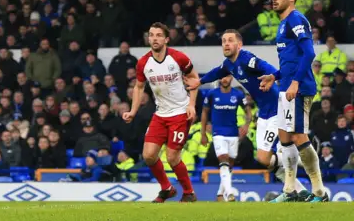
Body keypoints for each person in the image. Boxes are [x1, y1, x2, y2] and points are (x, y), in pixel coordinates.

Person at [199, 29, 307, 194]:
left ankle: (299, 160)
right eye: (223, 41)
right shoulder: (229, 64)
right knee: (264, 160)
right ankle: (299, 191)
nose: (226, 44)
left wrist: (272, 78)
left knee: (267, 158)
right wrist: (199, 81)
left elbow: (267, 67)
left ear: (239, 45)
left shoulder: (247, 59)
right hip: (263, 113)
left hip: (277, 110)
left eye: (230, 40)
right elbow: (216, 72)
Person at [259, 0, 328, 202]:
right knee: (284, 136)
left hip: (298, 89)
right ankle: (290, 191)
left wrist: (296, 83)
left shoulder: (296, 19)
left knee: (299, 136)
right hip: (286, 87)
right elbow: (292, 60)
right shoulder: (283, 24)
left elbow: (309, 53)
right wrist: (276, 77)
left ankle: (319, 191)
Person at [123, 22, 200, 203]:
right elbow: (139, 87)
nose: (154, 38)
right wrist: (133, 111)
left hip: (180, 112)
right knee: (148, 155)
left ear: (166, 39)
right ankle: (167, 188)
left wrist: (191, 105)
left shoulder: (178, 58)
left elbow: (194, 79)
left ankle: (189, 192)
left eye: (158, 35)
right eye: (151, 35)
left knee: (172, 157)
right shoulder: (143, 62)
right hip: (160, 114)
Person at [200, 75, 250, 202]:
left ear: (231, 78)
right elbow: (205, 112)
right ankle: (229, 193)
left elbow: (248, 111)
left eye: (227, 76)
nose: (224, 79)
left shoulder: (238, 94)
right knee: (223, 159)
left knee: (230, 164)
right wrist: (203, 132)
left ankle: (220, 193)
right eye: (222, 77)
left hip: (233, 134)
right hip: (218, 133)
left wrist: (246, 124)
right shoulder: (212, 94)